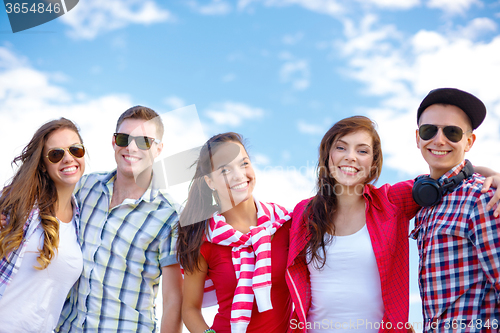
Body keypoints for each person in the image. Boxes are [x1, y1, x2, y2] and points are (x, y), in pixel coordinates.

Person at [286, 115, 500, 333]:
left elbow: (443, 178)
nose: (351, 157)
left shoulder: (391, 201)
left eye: (362, 151)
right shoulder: (304, 214)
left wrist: (489, 174)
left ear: (374, 162)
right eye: (341, 147)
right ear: (327, 154)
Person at [55, 106, 183, 332]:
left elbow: (174, 301)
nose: (131, 147)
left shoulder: (170, 216)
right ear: (114, 142)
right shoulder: (84, 187)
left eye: (143, 141)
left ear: (158, 149)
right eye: (124, 138)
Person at [177, 132, 293, 333]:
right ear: (209, 181)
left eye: (244, 163)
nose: (239, 175)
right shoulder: (203, 239)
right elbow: (189, 309)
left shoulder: (284, 222)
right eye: (224, 170)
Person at [410, 88, 500, 332]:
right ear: (418, 138)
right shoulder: (425, 199)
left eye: (452, 132)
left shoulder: (481, 199)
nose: (439, 140)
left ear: (468, 141)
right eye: (430, 130)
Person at [0, 118, 85, 332]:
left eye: (75, 150)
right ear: (44, 165)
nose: (68, 158)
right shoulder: (21, 204)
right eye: (56, 154)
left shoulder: (80, 220)